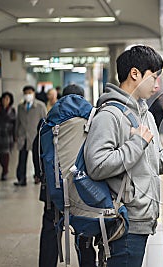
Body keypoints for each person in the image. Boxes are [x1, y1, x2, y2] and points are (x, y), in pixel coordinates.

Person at [84, 45, 163, 267]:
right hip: (123, 224)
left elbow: (153, 162)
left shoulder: (145, 114)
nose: (157, 84)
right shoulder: (109, 115)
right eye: (154, 77)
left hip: (143, 220)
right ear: (134, 73)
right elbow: (97, 165)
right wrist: (137, 143)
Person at [33, 84, 96, 267]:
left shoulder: (47, 121)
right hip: (83, 189)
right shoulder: (92, 120)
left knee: (51, 231)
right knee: (84, 233)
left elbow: (37, 151)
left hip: (53, 188)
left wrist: (41, 176)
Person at [15, 85, 47, 186]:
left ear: (33, 93)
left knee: (37, 158)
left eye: (29, 93)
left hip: (35, 136)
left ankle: (37, 176)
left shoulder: (40, 106)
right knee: (22, 159)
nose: (27, 95)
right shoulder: (20, 107)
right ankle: (21, 179)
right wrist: (16, 134)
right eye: (26, 93)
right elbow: (18, 122)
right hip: (23, 136)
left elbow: (44, 120)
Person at [0, 92, 16, 181]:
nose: (5, 101)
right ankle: (3, 168)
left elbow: (14, 123)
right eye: (4, 98)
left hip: (8, 135)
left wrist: (15, 135)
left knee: (5, 154)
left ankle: (5, 171)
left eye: (7, 99)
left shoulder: (12, 110)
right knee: (0, 154)